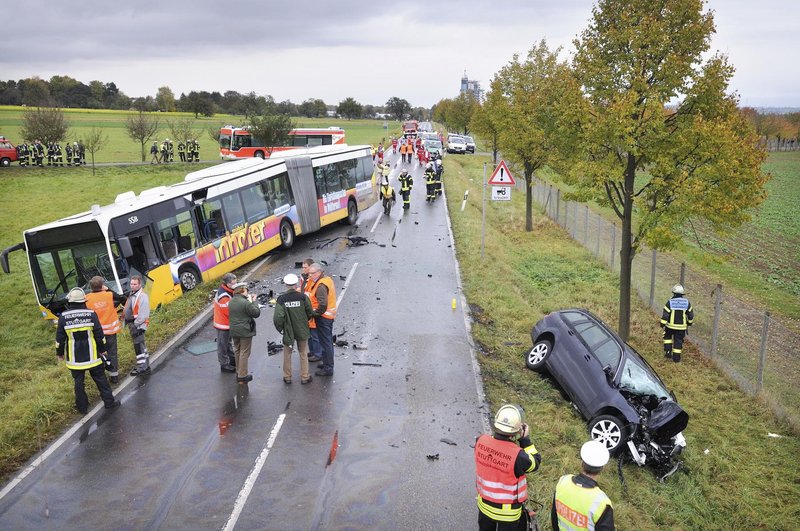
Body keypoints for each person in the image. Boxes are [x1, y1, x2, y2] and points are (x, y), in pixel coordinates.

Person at [475, 404, 541, 530]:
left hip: (484, 506)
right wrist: (525, 440)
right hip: (508, 514)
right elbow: (535, 463)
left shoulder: (480, 441)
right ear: (517, 431)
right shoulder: (519, 456)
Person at [56, 287, 120, 414]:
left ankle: (82, 408)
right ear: (83, 301)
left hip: (75, 359)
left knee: (78, 383)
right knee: (101, 380)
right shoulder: (91, 314)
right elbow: (99, 335)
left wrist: (60, 354)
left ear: (70, 301)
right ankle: (109, 403)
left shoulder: (63, 317)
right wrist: (103, 351)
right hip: (93, 356)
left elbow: (59, 339)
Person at [551, 441, 615, 530]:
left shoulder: (563, 481)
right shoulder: (602, 502)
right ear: (602, 468)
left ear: (582, 463)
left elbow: (554, 517)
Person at [274, 273, 314, 385]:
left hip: (288, 331)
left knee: (287, 354)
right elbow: (310, 312)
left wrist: (282, 329)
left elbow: (278, 317)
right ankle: (305, 377)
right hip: (302, 328)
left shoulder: (281, 299)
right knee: (303, 353)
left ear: (286, 284)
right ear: (296, 284)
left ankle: (287, 377)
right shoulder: (302, 297)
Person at [85, 276, 124, 384]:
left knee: (99, 354)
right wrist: (107, 289)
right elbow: (121, 298)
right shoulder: (109, 295)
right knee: (112, 352)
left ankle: (101, 377)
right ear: (102, 285)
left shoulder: (87, 298)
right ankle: (114, 376)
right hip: (110, 331)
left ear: (91, 287)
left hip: (96, 333)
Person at [305, 263, 337, 376]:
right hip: (328, 317)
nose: (310, 276)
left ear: (319, 272)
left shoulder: (321, 286)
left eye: (312, 273)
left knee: (326, 343)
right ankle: (326, 363)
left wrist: (314, 314)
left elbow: (322, 305)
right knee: (326, 342)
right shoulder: (326, 280)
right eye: (309, 273)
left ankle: (328, 368)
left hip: (323, 318)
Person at [228, 282, 261, 383]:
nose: (248, 292)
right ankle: (242, 375)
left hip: (234, 330)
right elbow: (256, 313)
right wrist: (254, 302)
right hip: (245, 330)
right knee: (244, 352)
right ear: (242, 290)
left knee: (237, 350)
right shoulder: (245, 303)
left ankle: (239, 371)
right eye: (246, 290)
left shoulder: (231, 301)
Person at [124, 275, 151, 376]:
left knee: (138, 346)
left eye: (135, 284)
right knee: (141, 345)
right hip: (134, 324)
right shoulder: (133, 294)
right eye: (131, 284)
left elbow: (143, 315)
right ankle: (145, 365)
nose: (132, 286)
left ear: (140, 284)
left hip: (138, 326)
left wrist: (135, 325)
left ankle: (142, 367)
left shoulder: (142, 296)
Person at [660, 284, 694, 362]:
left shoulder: (670, 302)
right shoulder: (687, 303)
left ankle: (668, 352)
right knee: (678, 341)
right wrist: (689, 323)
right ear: (682, 294)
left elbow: (665, 315)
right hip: (681, 328)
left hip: (670, 327)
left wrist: (662, 324)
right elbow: (690, 315)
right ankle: (676, 358)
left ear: (674, 293)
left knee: (667, 338)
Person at [213, 272, 238, 373]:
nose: (235, 285)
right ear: (227, 284)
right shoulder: (224, 296)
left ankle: (232, 360)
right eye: (233, 283)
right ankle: (224, 364)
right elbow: (229, 311)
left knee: (227, 343)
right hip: (223, 324)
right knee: (223, 344)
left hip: (225, 323)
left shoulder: (228, 291)